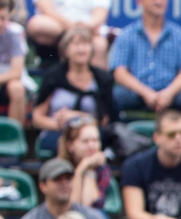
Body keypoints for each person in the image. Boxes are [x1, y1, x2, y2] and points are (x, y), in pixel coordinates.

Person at [108, 0, 181, 129]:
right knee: (110, 98)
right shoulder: (127, 34)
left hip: (171, 91)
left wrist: (168, 93)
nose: (159, 2)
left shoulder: (179, 34)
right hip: (136, 92)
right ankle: (118, 143)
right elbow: (119, 72)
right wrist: (146, 93)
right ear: (140, 1)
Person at [30, 27, 117, 156]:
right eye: (76, 44)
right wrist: (63, 125)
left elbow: (106, 119)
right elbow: (37, 118)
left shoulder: (103, 79)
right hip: (57, 132)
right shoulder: (53, 76)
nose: (81, 49)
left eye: (85, 44)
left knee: (88, 144)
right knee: (68, 143)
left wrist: (77, 119)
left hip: (92, 134)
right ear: (65, 50)